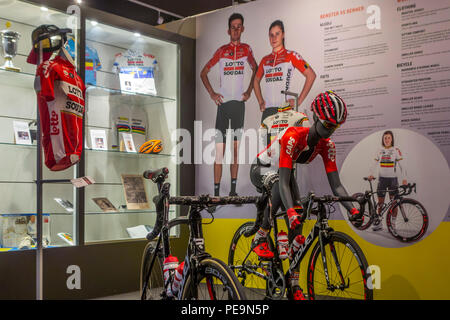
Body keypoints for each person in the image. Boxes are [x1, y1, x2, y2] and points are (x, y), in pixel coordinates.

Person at [250, 90, 362, 300]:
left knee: (298, 224)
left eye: (336, 126)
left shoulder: (327, 145)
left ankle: (293, 284)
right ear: (317, 119)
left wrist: (353, 209)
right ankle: (261, 235)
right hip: (262, 169)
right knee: (279, 184)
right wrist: (290, 211)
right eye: (328, 125)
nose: (331, 131)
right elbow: (282, 181)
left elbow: (336, 185)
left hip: (284, 174)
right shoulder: (293, 136)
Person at [200, 13, 258, 208]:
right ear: (228, 30)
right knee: (219, 152)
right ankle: (216, 196)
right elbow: (203, 73)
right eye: (233, 26)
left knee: (235, 151)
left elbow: (257, 70)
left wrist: (249, 91)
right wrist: (212, 94)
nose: (236, 29)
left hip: (238, 106)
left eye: (239, 26)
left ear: (242, 29)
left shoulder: (246, 49)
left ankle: (233, 192)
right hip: (223, 107)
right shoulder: (221, 51)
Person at [253, 20, 316, 123]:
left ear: (283, 35)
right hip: (268, 111)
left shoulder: (291, 55)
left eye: (277, 34)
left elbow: (311, 75)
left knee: (284, 140)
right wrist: (260, 101)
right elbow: (256, 80)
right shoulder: (265, 60)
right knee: (266, 140)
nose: (274, 38)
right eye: (271, 35)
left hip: (285, 110)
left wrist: (299, 101)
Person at [368, 131, 407, 231]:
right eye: (385, 138)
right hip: (382, 180)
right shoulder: (379, 150)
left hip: (393, 180)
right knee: (380, 203)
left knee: (394, 204)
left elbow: (402, 166)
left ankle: (393, 224)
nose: (387, 140)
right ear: (383, 139)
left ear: (392, 139)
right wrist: (371, 173)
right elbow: (374, 163)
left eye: (388, 138)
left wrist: (404, 178)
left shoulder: (396, 150)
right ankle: (379, 223)